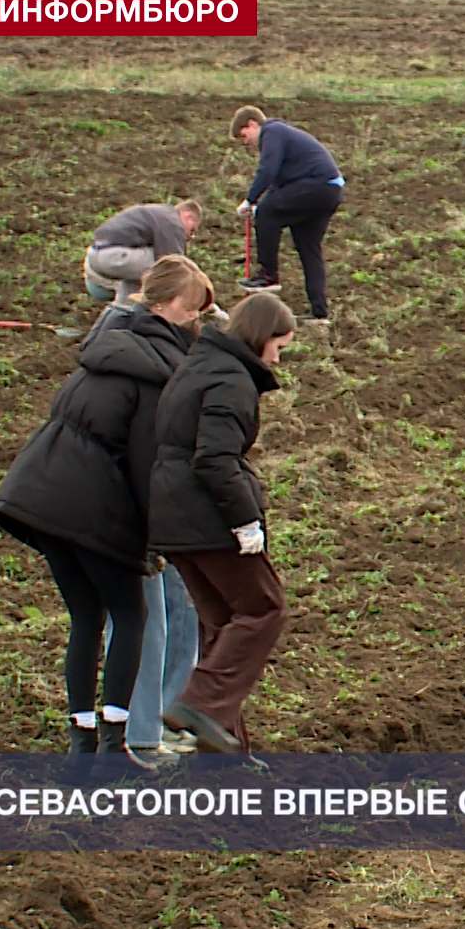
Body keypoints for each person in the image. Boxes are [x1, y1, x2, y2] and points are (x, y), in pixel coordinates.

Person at [0, 256, 216, 774]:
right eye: (190, 307)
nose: (194, 318)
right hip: (92, 504)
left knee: (88, 618)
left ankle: (84, 751)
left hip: (39, 493)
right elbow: (144, 464)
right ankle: (122, 749)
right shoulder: (157, 375)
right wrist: (155, 541)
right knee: (133, 616)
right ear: (162, 305)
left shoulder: (111, 346)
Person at [152, 292, 297, 756]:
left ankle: (225, 748)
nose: (278, 356)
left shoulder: (198, 366)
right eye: (279, 345)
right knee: (263, 609)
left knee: (222, 622)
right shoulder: (231, 379)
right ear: (260, 336)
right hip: (205, 517)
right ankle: (200, 706)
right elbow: (214, 459)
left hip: (172, 515)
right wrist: (245, 520)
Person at [230, 105, 345, 324]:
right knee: (308, 247)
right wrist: (258, 204)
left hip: (316, 185)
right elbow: (278, 184)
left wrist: (250, 200)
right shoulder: (284, 137)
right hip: (330, 189)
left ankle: (268, 276)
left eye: (244, 136)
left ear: (253, 124)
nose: (246, 143)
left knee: (266, 215)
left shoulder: (272, 132)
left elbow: (267, 169)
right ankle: (319, 312)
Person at [84, 200, 201, 303]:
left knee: (138, 285)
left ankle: (122, 315)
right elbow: (175, 263)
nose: (189, 238)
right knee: (165, 268)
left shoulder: (157, 214)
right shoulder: (172, 221)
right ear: (188, 216)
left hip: (95, 256)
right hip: (112, 257)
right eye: (192, 231)